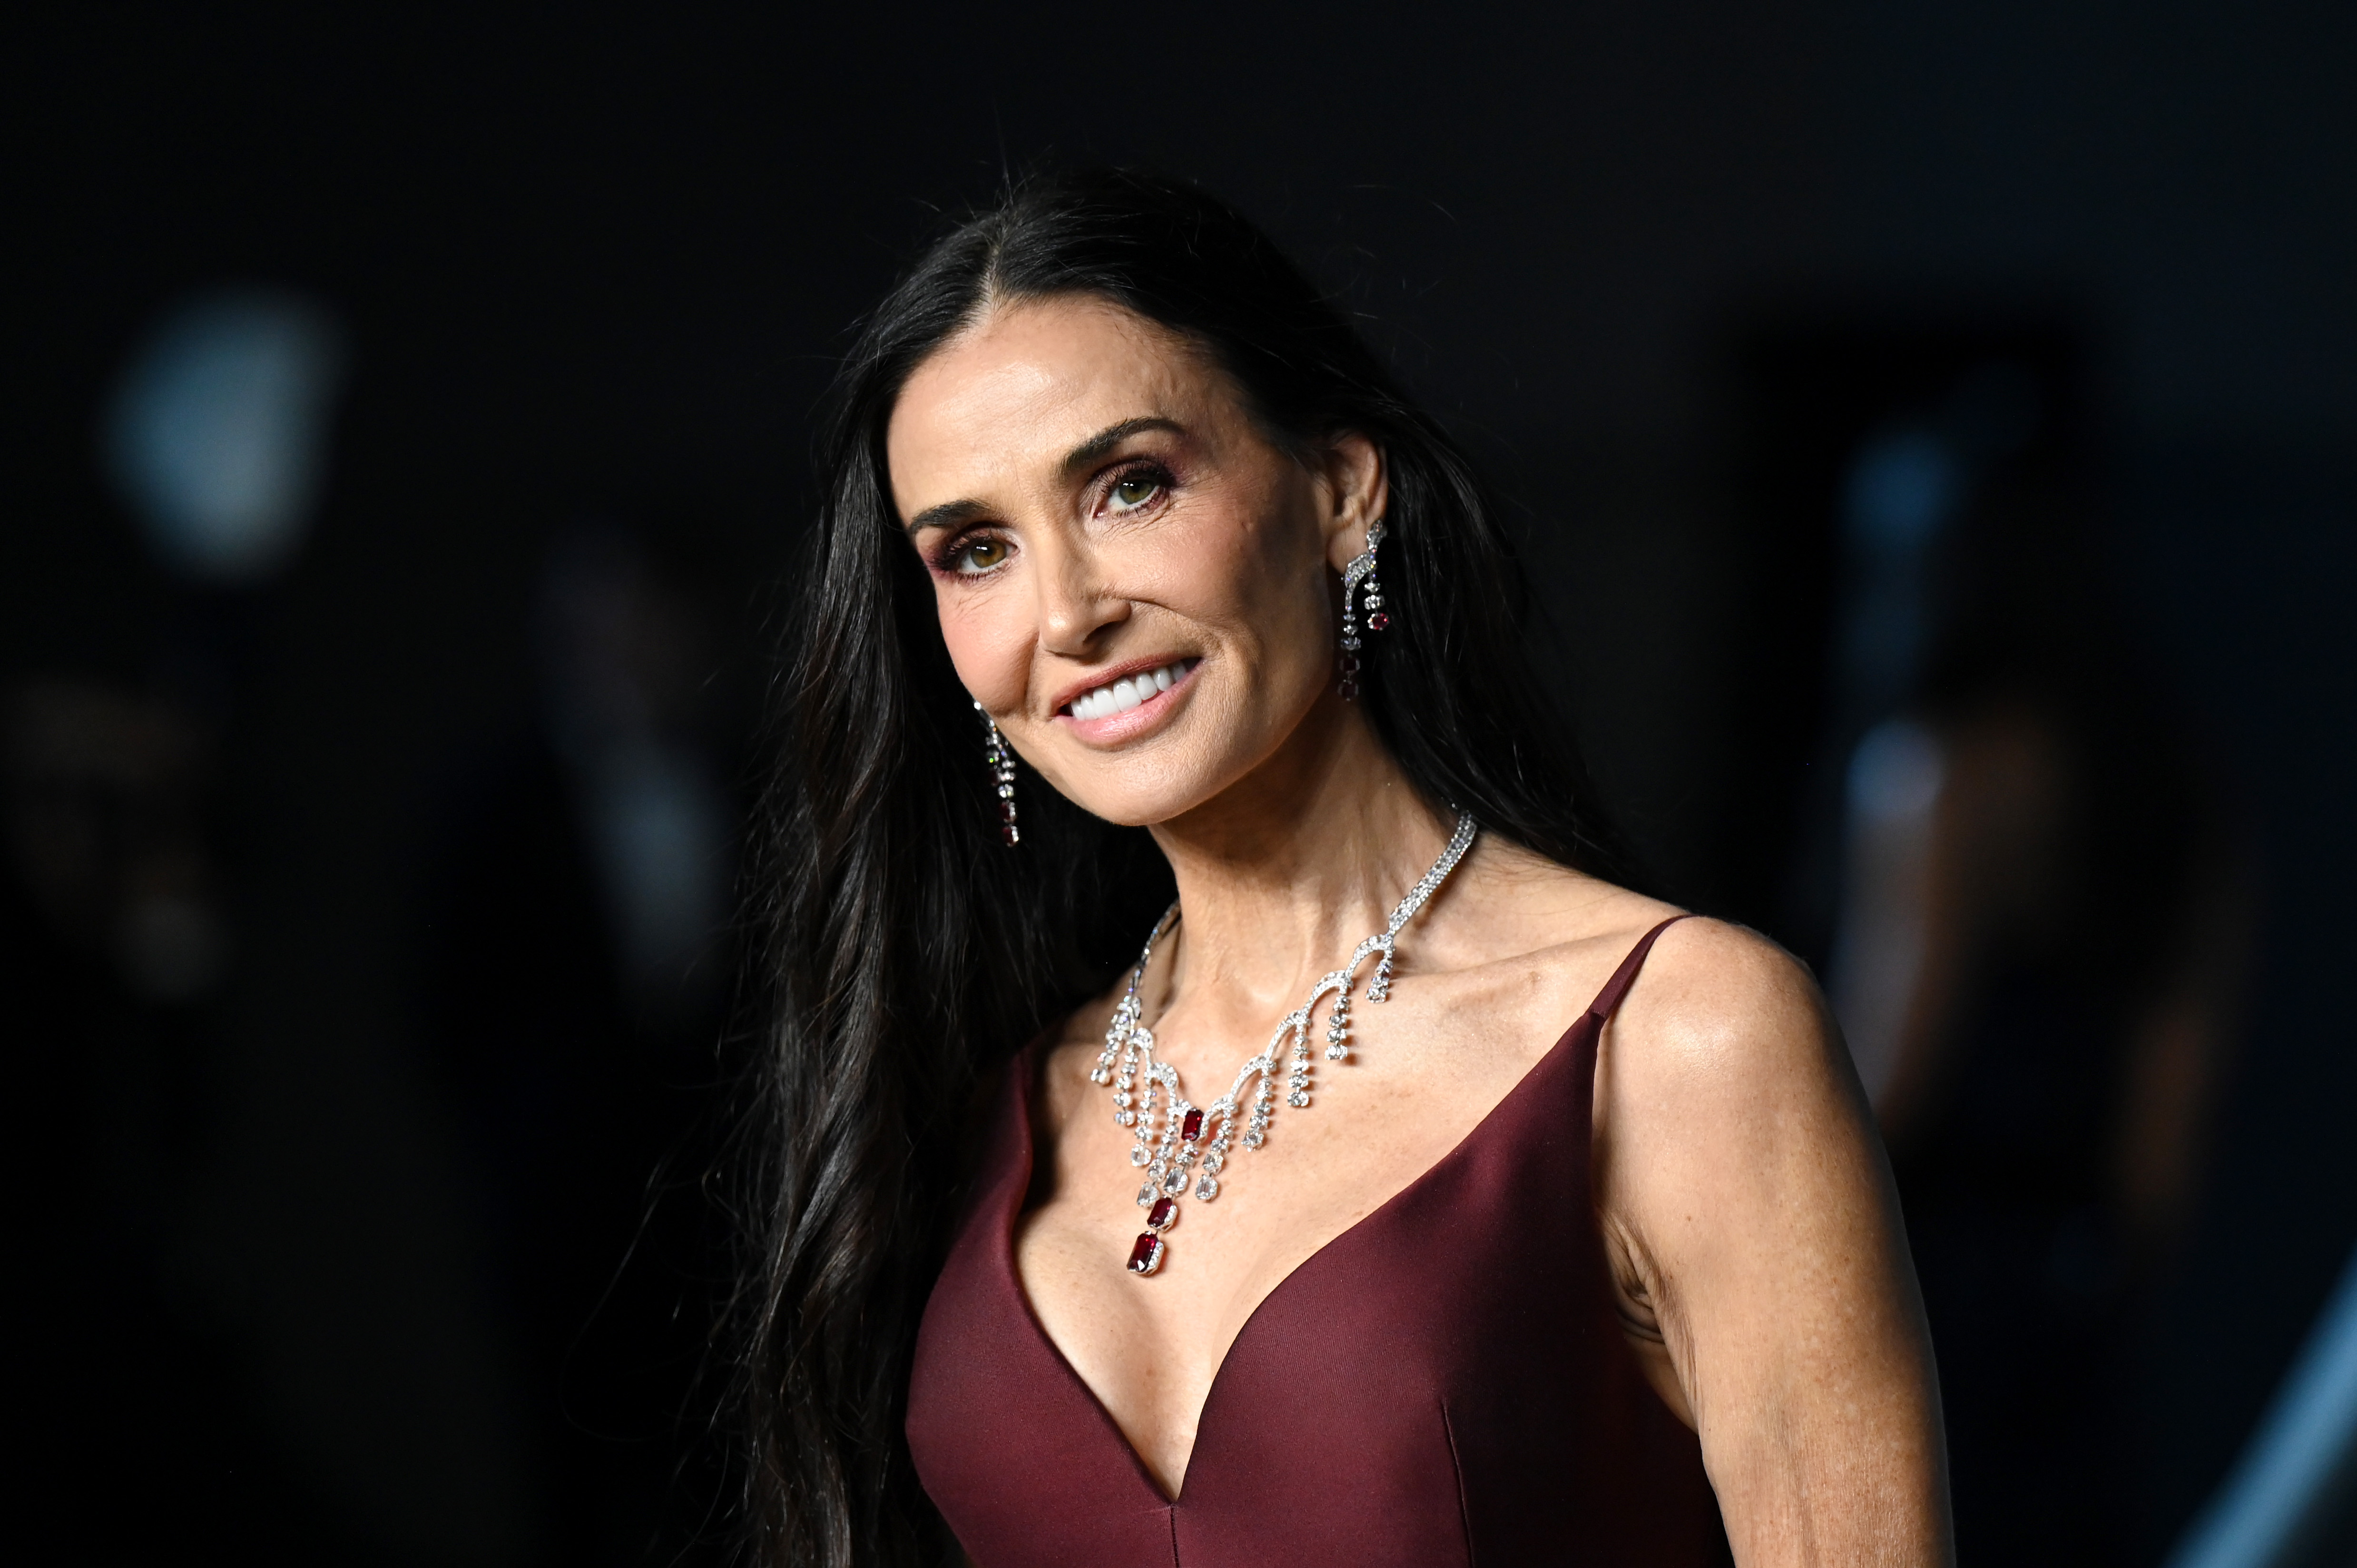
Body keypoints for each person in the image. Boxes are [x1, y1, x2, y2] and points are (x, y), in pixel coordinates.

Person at [741, 169, 1951, 1568]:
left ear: (1340, 493)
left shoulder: (1684, 1040)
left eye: (1131, 487)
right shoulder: (981, 1105)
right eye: (976, 552)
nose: (1065, 614)